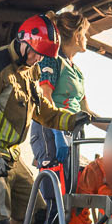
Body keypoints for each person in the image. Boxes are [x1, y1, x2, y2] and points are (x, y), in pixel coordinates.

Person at [0, 14, 80, 224]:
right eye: (35, 52)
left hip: (10, 156)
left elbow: (44, 112)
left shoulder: (30, 69)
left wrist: (74, 120)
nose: (37, 59)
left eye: (42, 55)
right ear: (22, 40)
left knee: (38, 214)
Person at [27, 11, 93, 185]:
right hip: (50, 130)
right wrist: (58, 133)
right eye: (85, 34)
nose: (87, 38)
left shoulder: (77, 71)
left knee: (71, 192)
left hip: (71, 132)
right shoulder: (51, 60)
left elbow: (86, 111)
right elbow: (45, 96)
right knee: (56, 194)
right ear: (77, 36)